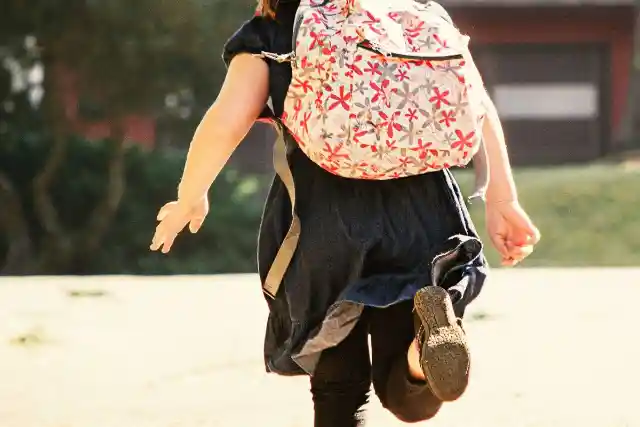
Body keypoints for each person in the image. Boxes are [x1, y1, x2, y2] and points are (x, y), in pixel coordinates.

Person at [150, 0, 541, 425]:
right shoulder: (417, 13)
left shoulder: (277, 31)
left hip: (328, 230)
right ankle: (421, 348)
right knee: (409, 398)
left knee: (339, 388)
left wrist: (191, 194)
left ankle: (420, 350)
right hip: (426, 219)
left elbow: (227, 119)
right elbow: (478, 105)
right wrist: (504, 200)